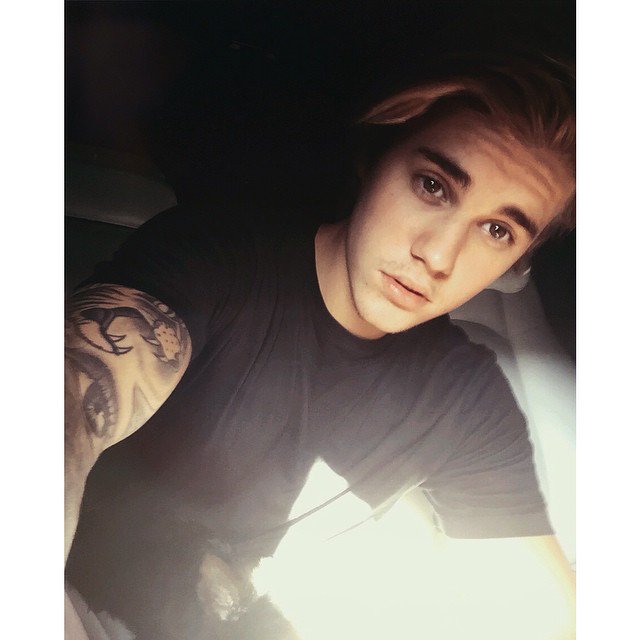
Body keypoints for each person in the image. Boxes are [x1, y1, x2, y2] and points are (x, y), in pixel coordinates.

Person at [65, 52, 576, 639]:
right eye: (432, 186)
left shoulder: (465, 396)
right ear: (373, 161)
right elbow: (67, 399)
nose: (438, 256)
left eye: (497, 230)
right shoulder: (213, 258)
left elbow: (541, 609)